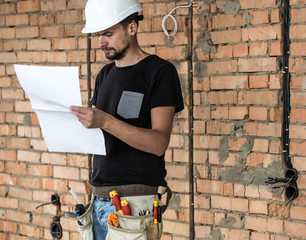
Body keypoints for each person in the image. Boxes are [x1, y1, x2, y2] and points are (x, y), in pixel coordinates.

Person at [70, 0, 184, 239]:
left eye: (108, 34)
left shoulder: (160, 72)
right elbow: (101, 133)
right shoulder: (105, 75)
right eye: (99, 35)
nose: (101, 42)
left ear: (131, 28)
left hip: (134, 204)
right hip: (99, 199)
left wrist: (105, 121)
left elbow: (158, 143)